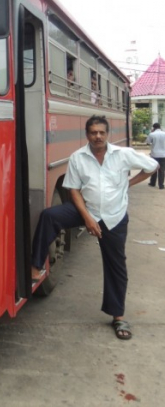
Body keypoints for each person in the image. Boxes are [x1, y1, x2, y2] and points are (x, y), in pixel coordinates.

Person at [31, 115, 158, 340]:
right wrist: (88, 219)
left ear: (107, 134)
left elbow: (152, 166)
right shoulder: (78, 157)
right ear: (87, 134)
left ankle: (118, 316)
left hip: (114, 217)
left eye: (101, 132)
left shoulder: (123, 154)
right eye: (93, 132)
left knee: (116, 266)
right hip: (86, 210)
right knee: (50, 216)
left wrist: (129, 184)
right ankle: (35, 266)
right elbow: (73, 191)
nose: (97, 136)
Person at [146, 123, 165, 189]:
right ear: (160, 127)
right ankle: (161, 185)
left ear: (153, 128)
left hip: (154, 154)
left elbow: (148, 142)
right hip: (163, 155)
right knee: (162, 170)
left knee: (154, 169)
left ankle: (152, 183)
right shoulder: (164, 133)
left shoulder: (152, 134)